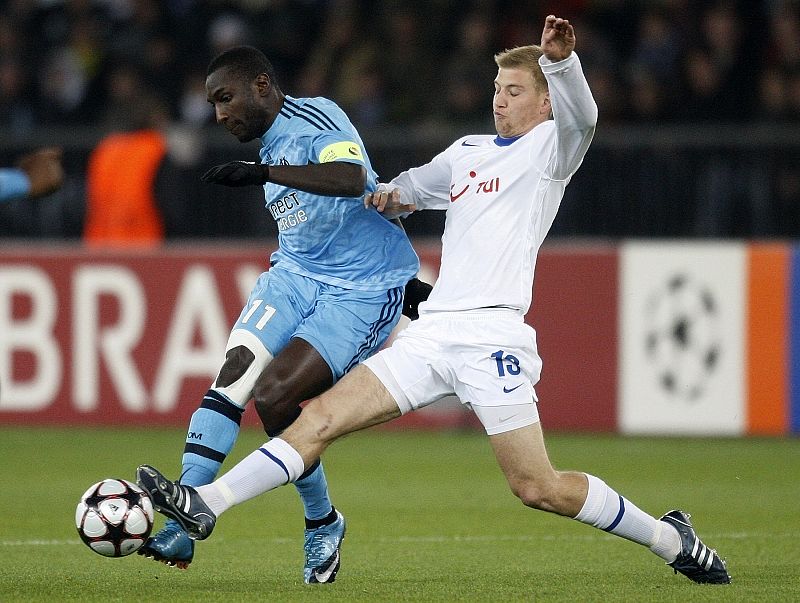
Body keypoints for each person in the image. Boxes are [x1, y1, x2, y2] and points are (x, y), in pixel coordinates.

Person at [136, 16, 731, 585]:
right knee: (314, 418)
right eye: (497, 88)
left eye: (516, 90)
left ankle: (668, 537)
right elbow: (410, 189)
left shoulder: (552, 152)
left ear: (544, 102)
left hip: (492, 338)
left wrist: (563, 62)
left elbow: (586, 119)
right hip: (432, 333)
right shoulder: (468, 151)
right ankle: (206, 501)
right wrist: (385, 200)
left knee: (537, 487)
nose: (499, 100)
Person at [138, 45, 427, 583]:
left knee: (275, 399)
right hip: (293, 274)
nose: (220, 114)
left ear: (263, 86)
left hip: (363, 288)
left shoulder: (317, 116)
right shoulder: (263, 145)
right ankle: (184, 516)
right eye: (212, 103)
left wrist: (261, 172)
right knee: (233, 376)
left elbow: (348, 178)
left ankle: (322, 520)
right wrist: (260, 170)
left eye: (226, 98)